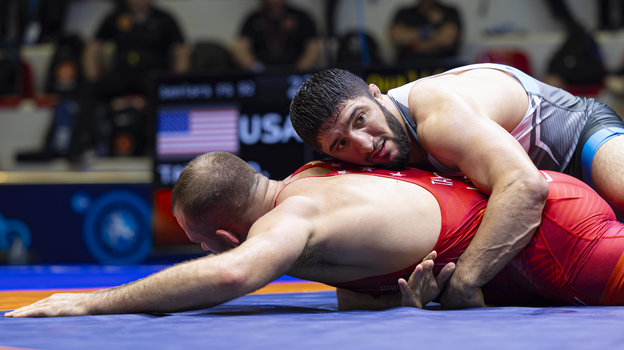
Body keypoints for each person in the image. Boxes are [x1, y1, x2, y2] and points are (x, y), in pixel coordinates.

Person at [6, 152, 624, 317]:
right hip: (541, 221)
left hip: (556, 242)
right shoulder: (312, 176)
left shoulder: (291, 222)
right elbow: (362, 271)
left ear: (223, 231)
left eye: (197, 238)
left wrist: (88, 300)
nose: (203, 249)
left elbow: (230, 275)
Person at [288, 64, 624, 308]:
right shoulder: (359, 168)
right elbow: (351, 292)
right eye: (340, 144)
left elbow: (524, 186)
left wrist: (464, 281)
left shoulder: (439, 115)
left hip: (577, 137)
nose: (363, 144)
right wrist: (402, 298)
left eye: (360, 119)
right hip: (533, 195)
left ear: (376, 94)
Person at [71, 0, 189, 157]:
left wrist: (176, 82)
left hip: (152, 79)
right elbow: (93, 47)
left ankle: (166, 148)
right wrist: (92, 76)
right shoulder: (115, 17)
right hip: (122, 76)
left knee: (170, 95)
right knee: (89, 90)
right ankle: (83, 143)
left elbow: (181, 51)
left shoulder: (165, 19)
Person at [231, 0, 321, 73]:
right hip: (261, 73)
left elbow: (313, 47)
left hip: (296, 72)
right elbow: (240, 49)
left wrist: (299, 68)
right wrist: (257, 68)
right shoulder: (252, 18)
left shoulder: (302, 17)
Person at [388, 0, 462, 66]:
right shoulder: (404, 12)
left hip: (442, 67)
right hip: (407, 68)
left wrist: (413, 43)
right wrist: (431, 34)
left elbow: (447, 39)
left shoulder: (449, 11)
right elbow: (396, 36)